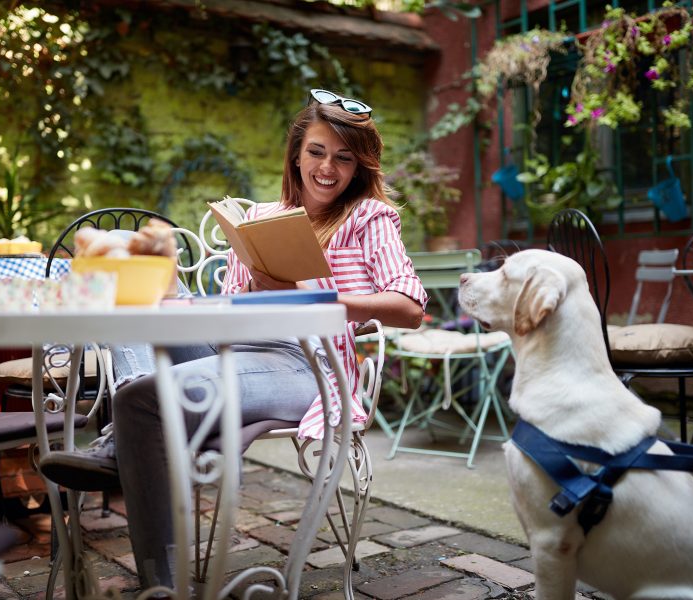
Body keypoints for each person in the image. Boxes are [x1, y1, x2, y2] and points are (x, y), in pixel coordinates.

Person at [49, 89, 428, 591]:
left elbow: (410, 307)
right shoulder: (261, 218)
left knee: (137, 400)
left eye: (343, 158)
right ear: (297, 154)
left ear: (359, 167)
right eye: (317, 152)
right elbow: (229, 309)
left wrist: (314, 295)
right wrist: (254, 285)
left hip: (309, 366)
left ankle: (160, 574)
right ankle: (130, 434)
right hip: (239, 347)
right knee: (126, 260)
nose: (328, 169)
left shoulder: (368, 219)